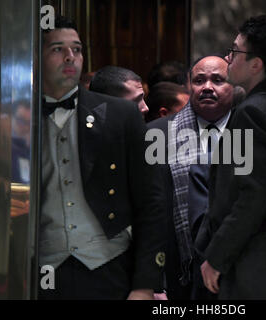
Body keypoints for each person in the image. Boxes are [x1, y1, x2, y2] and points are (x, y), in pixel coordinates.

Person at [39, 15, 166, 300]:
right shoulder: (17, 120)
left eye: (77, 49)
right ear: (36, 57)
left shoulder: (122, 115)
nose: (71, 57)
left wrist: (145, 284)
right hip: (41, 270)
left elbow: (152, 202)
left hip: (108, 266)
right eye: (58, 49)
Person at [196, 15, 266, 299]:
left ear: (256, 64)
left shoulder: (252, 113)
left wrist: (216, 257)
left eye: (235, 51)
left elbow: (253, 195)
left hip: (255, 264)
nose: (228, 57)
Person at [147, 55, 235, 300]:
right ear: (189, 86)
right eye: (199, 80)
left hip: (236, 274)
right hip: (175, 274)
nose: (207, 87)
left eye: (217, 80)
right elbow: (146, 211)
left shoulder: (249, 130)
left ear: (234, 86)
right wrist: (153, 282)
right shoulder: (157, 134)